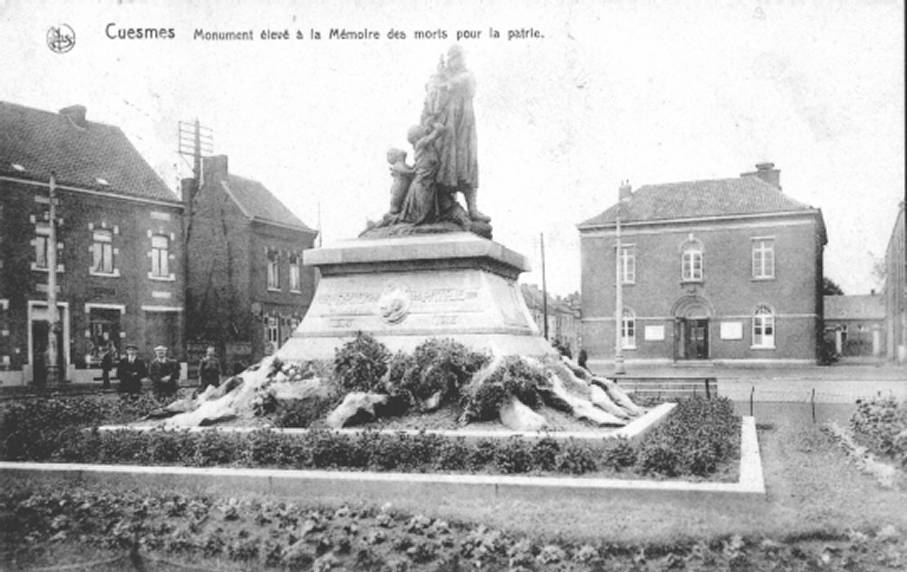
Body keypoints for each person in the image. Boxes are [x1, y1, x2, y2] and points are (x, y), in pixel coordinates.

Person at [421, 44, 488, 223]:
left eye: (460, 57)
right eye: (454, 58)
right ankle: (447, 206)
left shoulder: (466, 75)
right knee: (445, 164)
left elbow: (467, 83)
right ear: (449, 59)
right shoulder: (437, 76)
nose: (459, 61)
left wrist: (449, 83)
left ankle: (472, 208)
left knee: (468, 163)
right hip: (445, 126)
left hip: (464, 125)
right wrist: (441, 81)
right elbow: (431, 93)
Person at [398, 122, 447, 225]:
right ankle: (421, 218)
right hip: (424, 178)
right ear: (417, 135)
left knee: (426, 198)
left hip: (427, 177)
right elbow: (437, 133)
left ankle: (423, 217)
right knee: (423, 198)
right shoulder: (421, 143)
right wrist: (436, 127)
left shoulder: (424, 145)